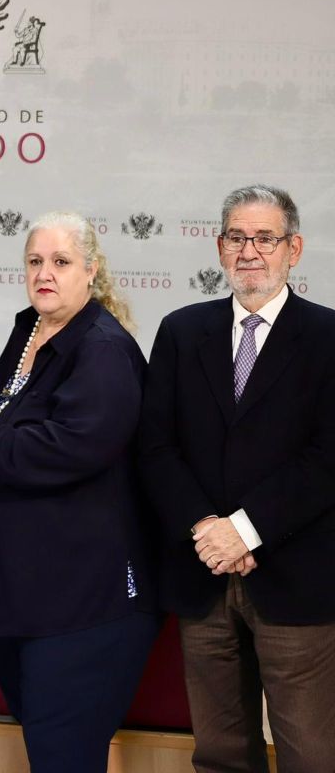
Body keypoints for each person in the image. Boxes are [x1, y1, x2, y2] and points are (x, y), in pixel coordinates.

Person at [0, 212, 157, 772]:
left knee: (63, 760)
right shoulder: (30, 329)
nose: (45, 273)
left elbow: (68, 447)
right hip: (23, 598)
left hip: (83, 606)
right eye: (35, 261)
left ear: (91, 270)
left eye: (60, 262)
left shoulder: (103, 348)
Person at [139, 185, 335, 772]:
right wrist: (208, 530)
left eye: (265, 238)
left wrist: (244, 531)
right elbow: (155, 447)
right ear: (220, 247)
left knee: (310, 752)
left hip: (296, 580)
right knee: (220, 753)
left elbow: (327, 458)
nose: (250, 251)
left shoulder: (328, 338)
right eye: (237, 238)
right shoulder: (180, 331)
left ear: (293, 248)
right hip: (203, 575)